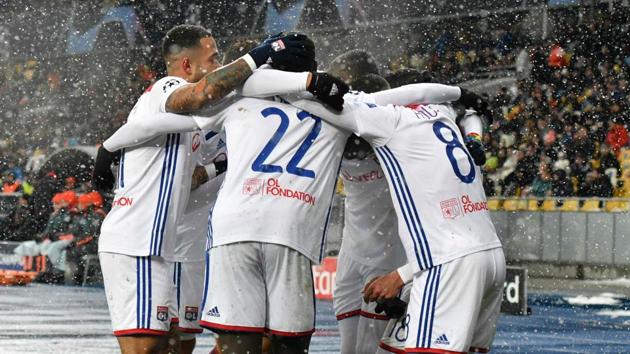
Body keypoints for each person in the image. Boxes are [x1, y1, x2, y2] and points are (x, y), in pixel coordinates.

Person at [93, 25, 313, 354]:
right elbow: (202, 95)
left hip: (158, 248)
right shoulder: (170, 87)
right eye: (212, 59)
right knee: (147, 350)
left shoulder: (194, 118)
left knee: (171, 346)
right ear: (186, 66)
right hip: (135, 241)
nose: (218, 66)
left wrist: (213, 168)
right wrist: (258, 57)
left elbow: (189, 163)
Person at [289, 96, 505, 353]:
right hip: (488, 253)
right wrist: (473, 135)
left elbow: (330, 102)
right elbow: (472, 111)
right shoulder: (443, 115)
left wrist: (300, 85)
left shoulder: (390, 123)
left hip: (442, 261)